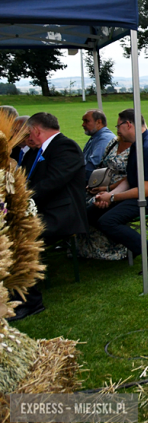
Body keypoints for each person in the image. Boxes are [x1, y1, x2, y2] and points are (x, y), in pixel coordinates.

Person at [10, 112, 88, 321]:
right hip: (42, 209)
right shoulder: (33, 152)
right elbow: (24, 181)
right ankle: (13, 293)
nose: (27, 139)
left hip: (61, 214)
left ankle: (31, 303)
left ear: (36, 130)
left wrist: (19, 201)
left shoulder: (65, 147)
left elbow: (51, 183)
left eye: (28, 134)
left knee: (19, 240)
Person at [89, 109, 148, 274]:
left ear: (128, 124)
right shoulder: (138, 144)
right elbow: (131, 179)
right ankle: (134, 244)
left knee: (107, 221)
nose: (117, 131)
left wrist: (112, 197)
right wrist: (108, 193)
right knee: (91, 212)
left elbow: (145, 190)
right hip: (142, 193)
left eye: (118, 126)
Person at [78, 133, 133, 260]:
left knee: (94, 204)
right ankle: (85, 247)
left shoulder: (138, 147)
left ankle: (117, 247)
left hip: (122, 190)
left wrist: (108, 190)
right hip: (104, 185)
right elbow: (102, 165)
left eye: (120, 125)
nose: (118, 129)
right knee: (79, 201)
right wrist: (95, 184)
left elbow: (131, 178)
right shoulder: (113, 142)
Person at [82, 109, 114, 183]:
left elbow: (92, 165)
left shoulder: (104, 138)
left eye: (86, 121)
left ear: (99, 122)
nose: (83, 124)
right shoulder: (96, 137)